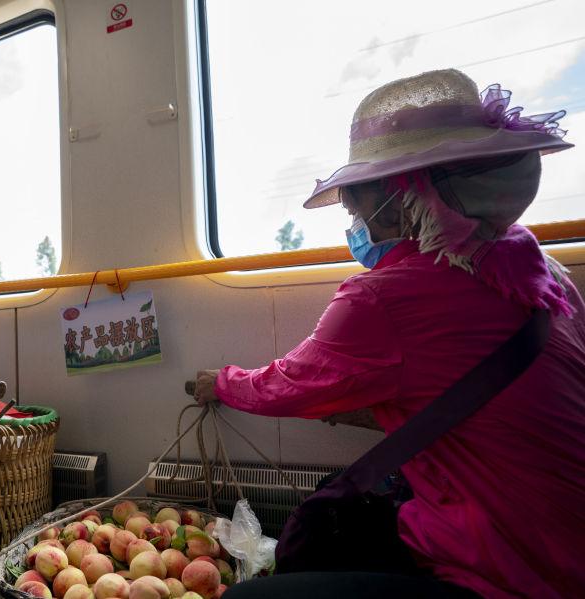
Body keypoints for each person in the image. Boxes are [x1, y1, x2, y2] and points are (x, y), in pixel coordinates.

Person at [194, 70, 585, 598]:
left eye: (358, 208)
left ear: (404, 199)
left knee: (246, 596)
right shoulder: (541, 273)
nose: (356, 224)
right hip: (563, 540)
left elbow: (286, 385)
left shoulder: (383, 298)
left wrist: (219, 382)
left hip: (515, 569)